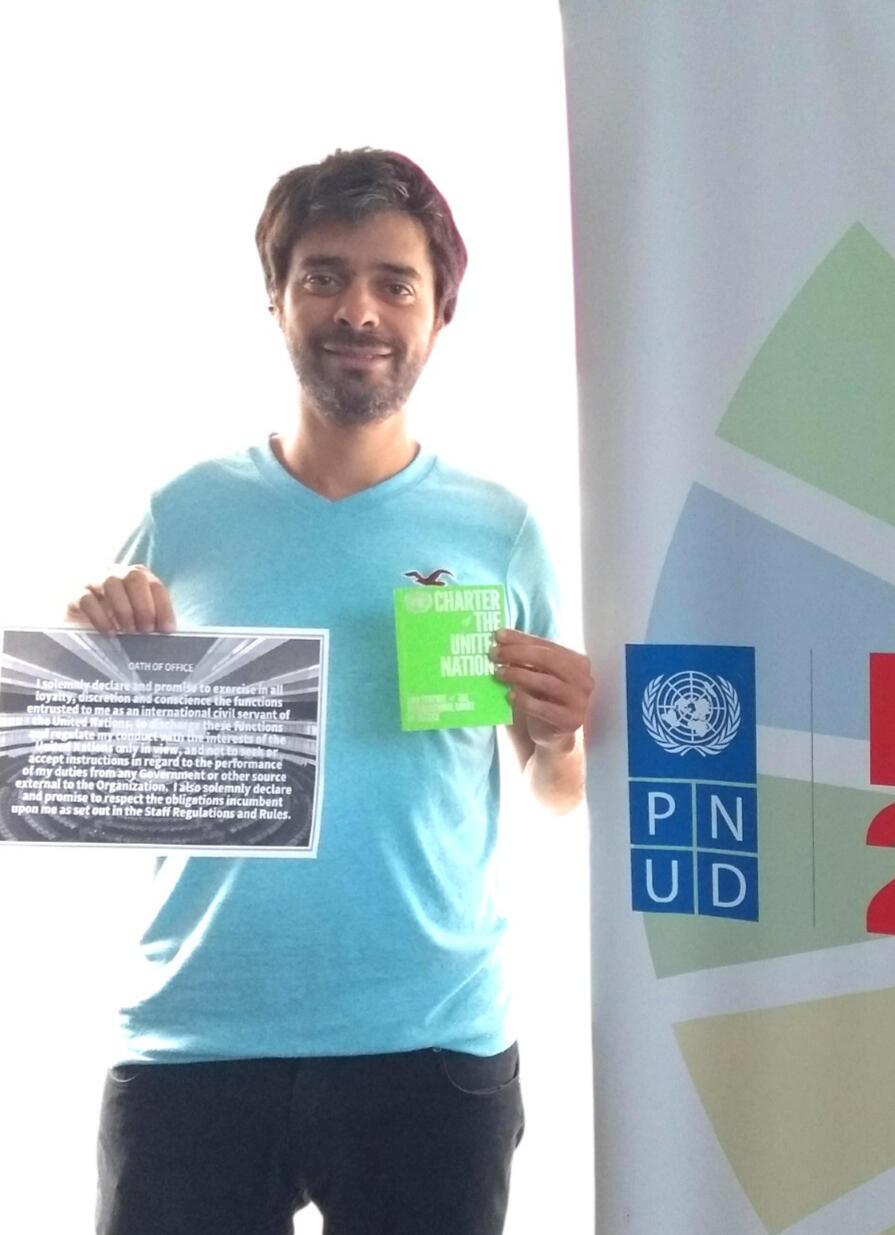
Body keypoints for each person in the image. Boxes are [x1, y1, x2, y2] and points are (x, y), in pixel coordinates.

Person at [66, 149, 593, 1235]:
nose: (359, 310)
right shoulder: (183, 511)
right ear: (277, 298)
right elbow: (92, 755)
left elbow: (553, 789)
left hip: (430, 1041)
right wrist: (94, 639)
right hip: (194, 1038)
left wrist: (560, 743)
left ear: (440, 314)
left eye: (395, 283)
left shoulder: (500, 528)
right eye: (323, 276)